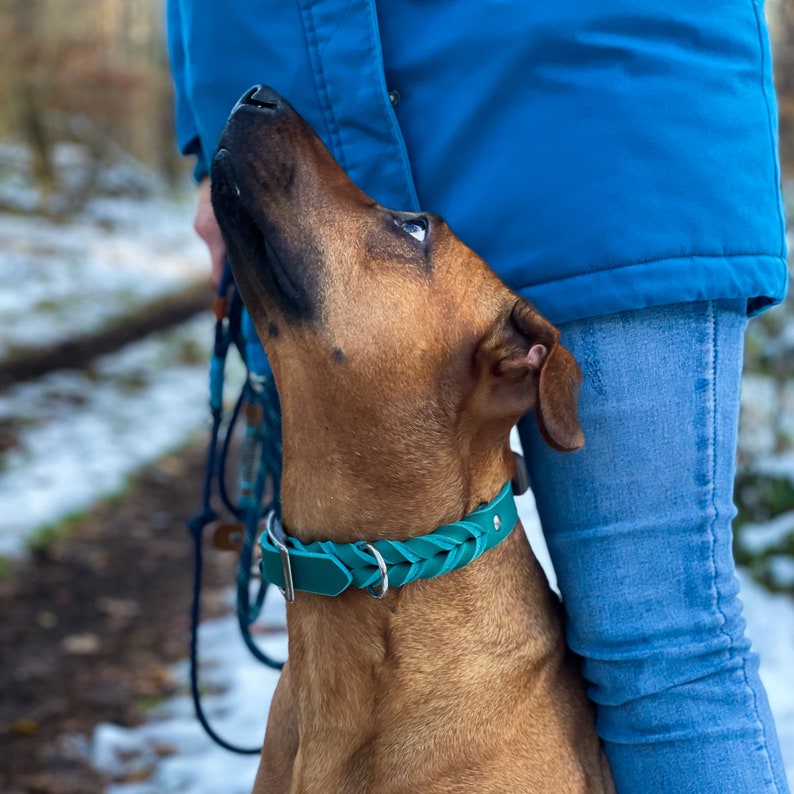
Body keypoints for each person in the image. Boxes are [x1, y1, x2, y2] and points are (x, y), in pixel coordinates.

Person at [166, 2, 790, 791]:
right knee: (342, 637)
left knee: (661, 653)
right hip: (333, 109)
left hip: (598, 116)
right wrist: (206, 129)